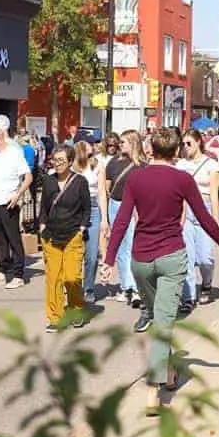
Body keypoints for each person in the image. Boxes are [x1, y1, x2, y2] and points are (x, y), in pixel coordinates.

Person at [101, 127, 219, 415]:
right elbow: (204, 216)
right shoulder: (182, 179)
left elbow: (122, 221)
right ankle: (153, 389)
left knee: (159, 318)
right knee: (162, 323)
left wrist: (109, 259)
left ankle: (169, 371)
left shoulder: (136, 178)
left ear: (151, 150)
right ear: (176, 151)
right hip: (171, 256)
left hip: (141, 260)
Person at [99, 130, 148, 325]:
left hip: (135, 207)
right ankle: (127, 286)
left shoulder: (143, 166)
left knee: (132, 246)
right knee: (121, 247)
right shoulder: (114, 162)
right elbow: (107, 187)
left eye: (123, 142)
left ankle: (135, 288)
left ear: (133, 143)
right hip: (117, 204)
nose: (120, 145)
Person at [40, 145, 91, 332]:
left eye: (61, 160)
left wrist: (82, 228)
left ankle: (76, 311)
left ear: (70, 161)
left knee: (72, 277)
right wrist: (42, 226)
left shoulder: (80, 182)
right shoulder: (49, 181)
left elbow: (87, 208)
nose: (58, 164)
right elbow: (44, 207)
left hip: (73, 235)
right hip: (51, 236)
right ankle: (56, 317)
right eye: (55, 160)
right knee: (53, 278)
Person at [177, 130, 219, 311]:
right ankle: (188, 297)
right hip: (185, 211)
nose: (186, 147)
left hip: (204, 209)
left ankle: (207, 282)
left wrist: (215, 220)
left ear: (198, 142)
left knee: (205, 258)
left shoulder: (211, 165)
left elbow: (214, 195)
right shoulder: (180, 165)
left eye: (189, 143)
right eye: (183, 144)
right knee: (187, 256)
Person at [0, 126, 32, 289]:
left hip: (8, 201)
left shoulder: (14, 153)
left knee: (13, 238)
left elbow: (28, 177)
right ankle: (1, 272)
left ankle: (18, 274)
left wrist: (18, 195)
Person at [72, 140, 102, 305]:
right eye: (89, 152)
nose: (92, 154)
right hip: (76, 209)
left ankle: (88, 288)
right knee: (74, 252)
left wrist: (105, 220)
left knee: (92, 255)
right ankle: (73, 286)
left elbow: (102, 193)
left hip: (93, 208)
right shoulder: (72, 167)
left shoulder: (97, 165)